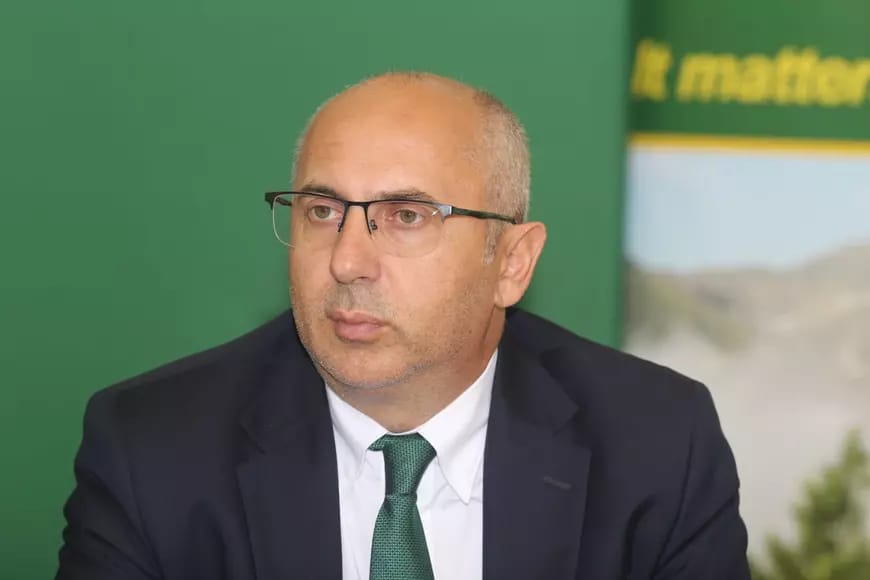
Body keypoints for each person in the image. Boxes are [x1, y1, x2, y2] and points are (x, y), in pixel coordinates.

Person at [56, 72, 750, 580]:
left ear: (511, 263)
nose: (347, 261)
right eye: (322, 212)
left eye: (407, 217)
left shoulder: (657, 443)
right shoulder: (153, 450)